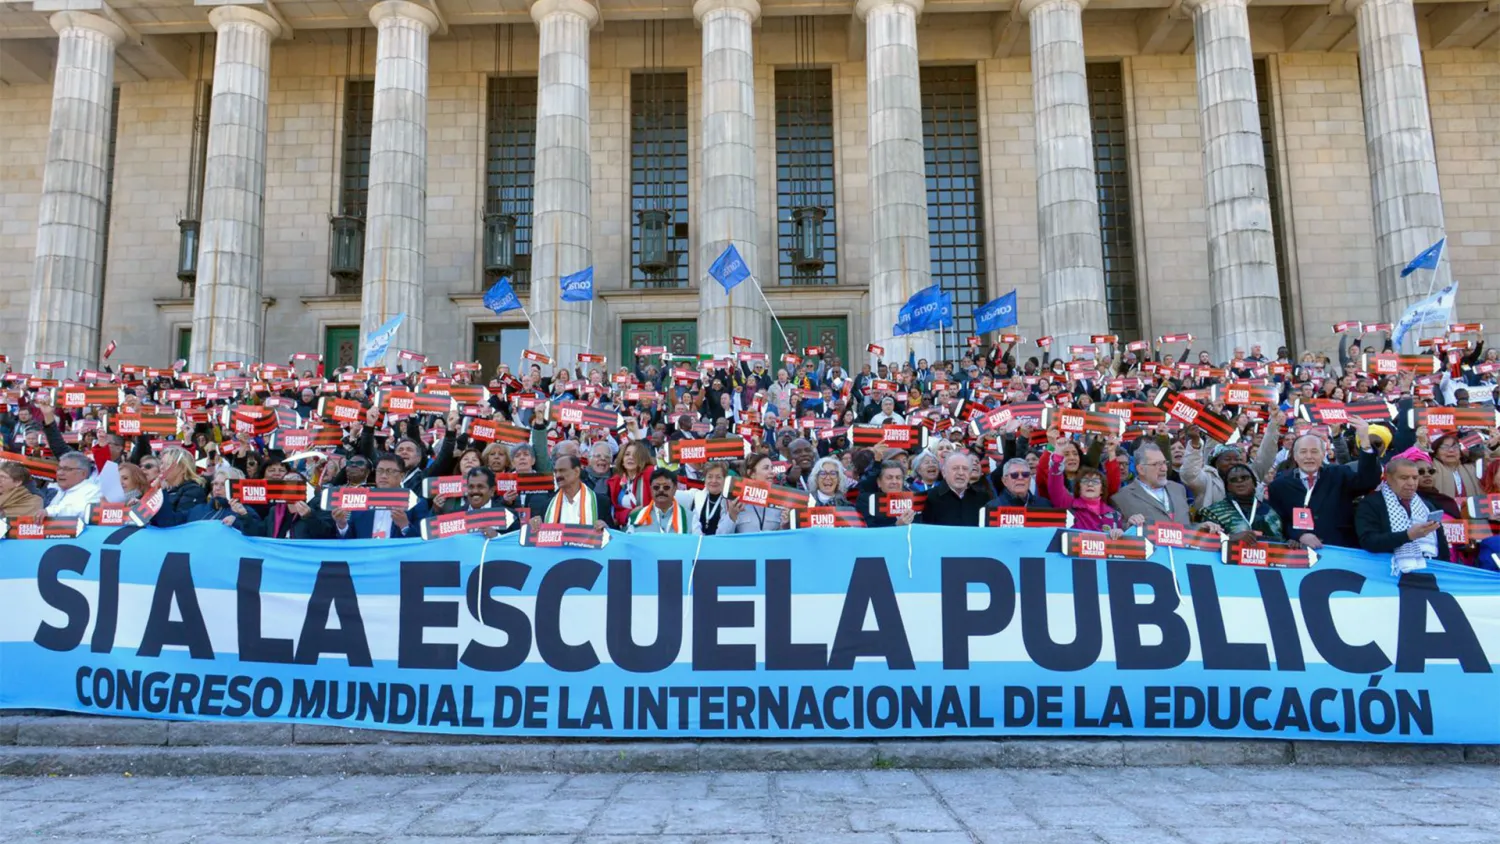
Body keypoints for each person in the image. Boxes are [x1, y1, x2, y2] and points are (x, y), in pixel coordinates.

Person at [1267, 418, 1380, 549]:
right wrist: (1299, 534)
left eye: (1314, 451)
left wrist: (1365, 442)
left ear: (1323, 454)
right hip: (1300, 554)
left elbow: (1369, 481)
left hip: (1339, 549)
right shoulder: (1279, 486)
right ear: (1295, 456)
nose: (1309, 456)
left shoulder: (1340, 474)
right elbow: (1278, 521)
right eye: (1303, 452)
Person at [1356, 456, 1449, 574]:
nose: (1411, 483)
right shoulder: (1371, 504)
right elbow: (1369, 541)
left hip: (1428, 572)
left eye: (1415, 478)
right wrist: (1407, 535)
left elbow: (1442, 545)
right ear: (1388, 478)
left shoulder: (1427, 505)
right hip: (1387, 574)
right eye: (1404, 478)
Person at [1111, 442, 1207, 530]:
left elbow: (1187, 527)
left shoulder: (1179, 489)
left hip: (1182, 548)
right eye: (1157, 464)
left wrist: (1201, 527)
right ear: (1141, 469)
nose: (1164, 468)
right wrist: (1128, 526)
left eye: (1165, 463)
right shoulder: (1121, 498)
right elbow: (1118, 532)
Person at [332, 454, 431, 539]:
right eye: (380, 471)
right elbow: (351, 540)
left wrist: (405, 526)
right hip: (367, 557)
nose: (383, 475)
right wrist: (342, 525)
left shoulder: (416, 504)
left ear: (402, 476)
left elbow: (423, 543)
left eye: (390, 471)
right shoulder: (361, 501)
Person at [1198, 463, 1283, 542]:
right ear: (1228, 487)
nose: (1239, 482)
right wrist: (1231, 538)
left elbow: (1280, 544)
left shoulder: (1270, 512)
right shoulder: (1214, 512)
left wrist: (1289, 545)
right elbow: (1206, 542)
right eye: (1233, 480)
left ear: (1254, 483)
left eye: (1244, 478)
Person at [1044, 462, 1123, 536]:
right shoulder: (1068, 506)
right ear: (1079, 488)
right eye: (1085, 481)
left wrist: (1121, 534)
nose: (1090, 484)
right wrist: (1057, 460)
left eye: (1095, 481)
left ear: (1102, 489)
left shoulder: (1115, 515)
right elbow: (1055, 487)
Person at [534, 454, 605, 528]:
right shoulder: (547, 506)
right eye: (555, 471)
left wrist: (605, 527)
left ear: (577, 472)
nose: (558, 475)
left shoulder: (600, 502)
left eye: (562, 470)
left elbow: (612, 535)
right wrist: (535, 524)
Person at [920, 451, 987, 526]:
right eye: (955, 468)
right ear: (944, 473)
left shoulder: (982, 498)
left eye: (965, 469)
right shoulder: (930, 497)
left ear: (970, 473)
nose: (961, 473)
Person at [725, 453, 786, 533]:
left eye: (772, 468)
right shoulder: (734, 500)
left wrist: (784, 525)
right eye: (766, 468)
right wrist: (731, 516)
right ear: (752, 474)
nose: (772, 472)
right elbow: (721, 536)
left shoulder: (779, 500)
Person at [150, 447, 208, 527]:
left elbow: (171, 522)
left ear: (183, 468)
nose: (161, 468)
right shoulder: (167, 490)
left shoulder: (194, 491)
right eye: (161, 463)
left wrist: (161, 491)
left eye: (167, 464)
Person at [677, 461, 735, 536]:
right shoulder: (696, 495)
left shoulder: (730, 501)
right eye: (710, 477)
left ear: (724, 480)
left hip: (720, 544)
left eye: (718, 477)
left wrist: (732, 514)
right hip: (698, 543)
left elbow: (726, 533)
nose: (714, 481)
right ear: (705, 479)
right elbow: (672, 495)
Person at [627, 468, 691, 533]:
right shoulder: (635, 518)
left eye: (666, 487)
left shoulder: (690, 518)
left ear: (675, 489)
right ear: (651, 489)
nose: (661, 490)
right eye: (656, 487)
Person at [606, 441, 653, 527]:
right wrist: (629, 513)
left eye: (635, 455)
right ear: (622, 460)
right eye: (627, 454)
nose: (631, 457)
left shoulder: (650, 473)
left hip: (649, 526)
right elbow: (616, 514)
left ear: (642, 459)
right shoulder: (615, 481)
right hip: (626, 528)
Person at [45, 452, 102, 518]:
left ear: (83, 474)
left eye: (67, 469)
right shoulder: (54, 489)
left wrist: (49, 512)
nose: (60, 473)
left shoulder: (94, 491)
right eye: (59, 469)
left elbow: (82, 511)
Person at [986, 458, 1052, 509]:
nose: (1020, 478)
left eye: (1025, 474)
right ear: (1005, 481)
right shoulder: (992, 507)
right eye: (1014, 475)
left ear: (1029, 479)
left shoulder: (1044, 505)